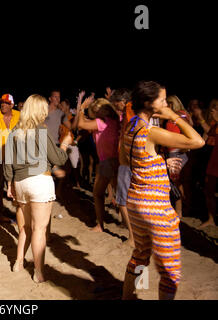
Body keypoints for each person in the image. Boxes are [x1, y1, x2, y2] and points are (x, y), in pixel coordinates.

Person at [121, 81, 204, 300]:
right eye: (162, 100)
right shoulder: (151, 131)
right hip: (155, 207)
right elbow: (198, 141)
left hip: (135, 201)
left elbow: (130, 159)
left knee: (141, 255)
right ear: (149, 103)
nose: (166, 104)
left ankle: (132, 295)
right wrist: (175, 116)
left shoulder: (131, 125)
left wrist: (155, 163)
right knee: (170, 271)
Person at [4, 94, 70, 282]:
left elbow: (8, 161)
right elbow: (58, 158)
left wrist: (9, 183)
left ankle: (18, 263)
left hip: (20, 182)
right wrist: (65, 144)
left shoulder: (14, 132)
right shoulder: (40, 131)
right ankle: (38, 272)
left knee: (24, 227)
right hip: (39, 180)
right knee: (39, 229)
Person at [77, 97, 120, 233]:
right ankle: (125, 222)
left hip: (107, 161)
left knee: (97, 193)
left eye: (95, 111)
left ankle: (100, 225)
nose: (94, 114)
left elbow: (81, 124)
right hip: (118, 160)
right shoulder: (115, 120)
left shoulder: (101, 122)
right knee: (120, 195)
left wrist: (81, 108)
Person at [0, 94, 20, 222]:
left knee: (16, 182)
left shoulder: (19, 115)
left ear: (12, 105)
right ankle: (0, 206)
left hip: (16, 155)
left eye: (6, 103)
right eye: (1, 102)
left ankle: (17, 208)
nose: (3, 105)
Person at [109, 88, 135, 246]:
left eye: (115, 104)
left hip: (128, 159)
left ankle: (132, 237)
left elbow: (133, 131)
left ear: (121, 102)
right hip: (132, 158)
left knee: (122, 199)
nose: (115, 107)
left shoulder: (130, 108)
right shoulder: (134, 109)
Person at [200, 103, 218, 228]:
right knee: (208, 190)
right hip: (214, 161)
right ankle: (211, 218)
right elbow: (209, 133)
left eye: (216, 108)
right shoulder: (215, 124)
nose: (212, 110)